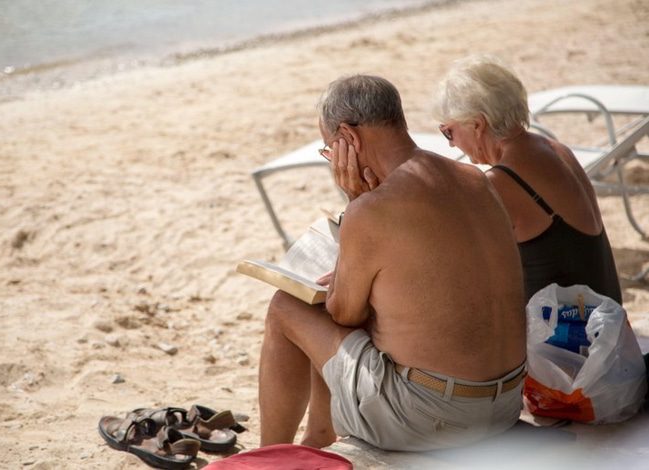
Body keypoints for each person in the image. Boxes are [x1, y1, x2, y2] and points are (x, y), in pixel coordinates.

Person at [258, 74, 526, 452]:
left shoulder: (372, 209)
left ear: (348, 139)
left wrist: (355, 205)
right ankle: (317, 437)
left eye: (329, 149)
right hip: (506, 403)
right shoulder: (475, 179)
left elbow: (343, 315)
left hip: (433, 420)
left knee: (287, 306)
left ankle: (268, 457)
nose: (332, 160)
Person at [433, 55, 622, 304]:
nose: (451, 143)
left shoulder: (501, 183)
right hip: (607, 322)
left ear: (477, 125)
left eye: (449, 131)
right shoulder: (557, 149)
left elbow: (456, 267)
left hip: (569, 337)